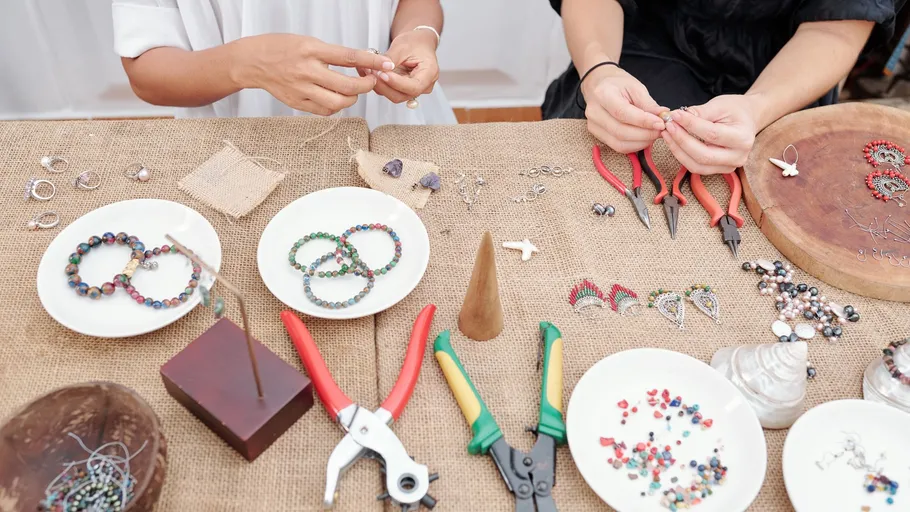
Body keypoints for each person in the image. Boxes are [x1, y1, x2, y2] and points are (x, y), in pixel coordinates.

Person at [543, 0, 898, 175]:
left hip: (787, 77)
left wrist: (757, 107)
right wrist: (599, 69)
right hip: (638, 48)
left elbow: (835, 27)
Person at [112, 0, 457, 129]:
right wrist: (244, 63)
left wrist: (419, 35)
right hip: (235, 138)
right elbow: (146, 71)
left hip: (387, 122)